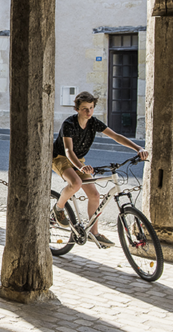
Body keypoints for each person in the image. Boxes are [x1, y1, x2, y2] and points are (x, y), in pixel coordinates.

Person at [52, 91, 149, 248]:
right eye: (84, 108)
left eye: (91, 108)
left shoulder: (93, 122)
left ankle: (93, 232)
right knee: (76, 183)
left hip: (78, 161)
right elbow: (69, 151)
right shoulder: (69, 124)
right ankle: (58, 208)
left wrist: (138, 148)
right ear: (77, 109)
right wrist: (81, 167)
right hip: (60, 158)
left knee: (95, 195)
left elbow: (116, 136)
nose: (88, 112)